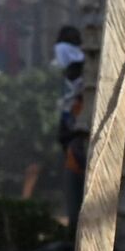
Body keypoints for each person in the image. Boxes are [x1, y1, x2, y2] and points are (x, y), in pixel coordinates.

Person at [52, 26, 88, 228]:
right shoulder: (75, 84)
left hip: (72, 132)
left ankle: (76, 225)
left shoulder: (68, 57)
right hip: (72, 131)